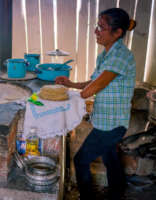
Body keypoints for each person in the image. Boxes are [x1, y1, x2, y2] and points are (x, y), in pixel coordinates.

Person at [55, 8, 136, 200]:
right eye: (97, 26)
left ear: (117, 33)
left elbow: (95, 87)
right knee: (110, 158)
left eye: (102, 28)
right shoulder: (105, 55)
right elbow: (92, 82)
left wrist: (67, 97)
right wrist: (71, 84)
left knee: (81, 160)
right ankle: (117, 193)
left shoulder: (120, 56)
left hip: (112, 124)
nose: (96, 31)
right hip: (106, 121)